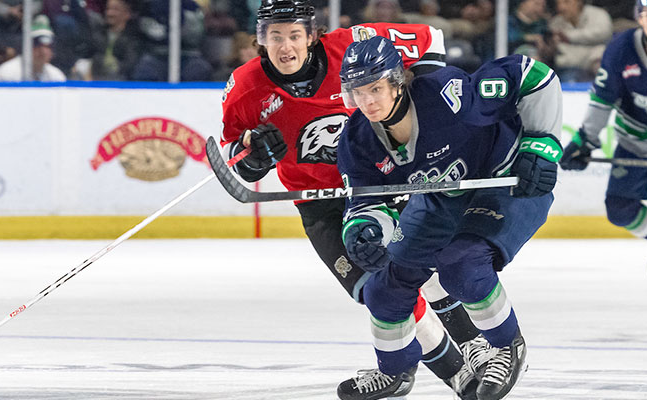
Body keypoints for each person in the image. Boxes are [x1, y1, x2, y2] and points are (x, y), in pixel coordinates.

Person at [220, 1, 491, 398]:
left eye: (294, 34)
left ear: (312, 35)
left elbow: (429, 39)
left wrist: (427, 108)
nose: (286, 46)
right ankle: (455, 376)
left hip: (377, 180)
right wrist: (253, 154)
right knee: (377, 288)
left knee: (423, 266)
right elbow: (236, 156)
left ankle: (475, 348)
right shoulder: (244, 88)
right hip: (320, 203)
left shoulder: (352, 45)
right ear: (260, 40)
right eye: (274, 36)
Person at [335, 36, 562, 399]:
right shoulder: (358, 138)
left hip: (507, 185)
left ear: (398, 81)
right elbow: (366, 203)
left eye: (375, 88)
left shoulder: (447, 95)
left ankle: (507, 347)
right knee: (384, 287)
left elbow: (532, 74)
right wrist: (366, 232)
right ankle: (394, 370)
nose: (367, 101)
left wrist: (542, 146)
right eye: (357, 91)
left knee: (462, 264)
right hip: (442, 199)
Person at [560, 0, 647, 279]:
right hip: (635, 142)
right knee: (620, 210)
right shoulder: (621, 49)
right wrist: (584, 140)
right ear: (639, 18)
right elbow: (602, 100)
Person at [0, 16, 67, 82]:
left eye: (48, 47)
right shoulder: (7, 74)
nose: (43, 51)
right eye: (37, 46)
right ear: (26, 47)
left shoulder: (56, 76)